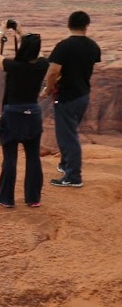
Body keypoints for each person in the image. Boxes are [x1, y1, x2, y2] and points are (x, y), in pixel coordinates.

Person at [0, 21, 49, 208]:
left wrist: (2, 31)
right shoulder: (42, 65)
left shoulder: (13, 66)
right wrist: (22, 33)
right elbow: (37, 53)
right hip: (33, 113)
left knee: (10, 157)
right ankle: (33, 198)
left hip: (12, 114)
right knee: (33, 157)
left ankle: (6, 198)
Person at [45, 11, 103, 189]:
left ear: (69, 24)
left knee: (68, 136)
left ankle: (73, 177)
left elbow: (53, 71)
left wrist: (49, 88)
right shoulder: (93, 46)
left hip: (67, 97)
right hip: (83, 95)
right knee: (69, 132)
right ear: (87, 25)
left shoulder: (64, 46)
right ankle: (65, 165)